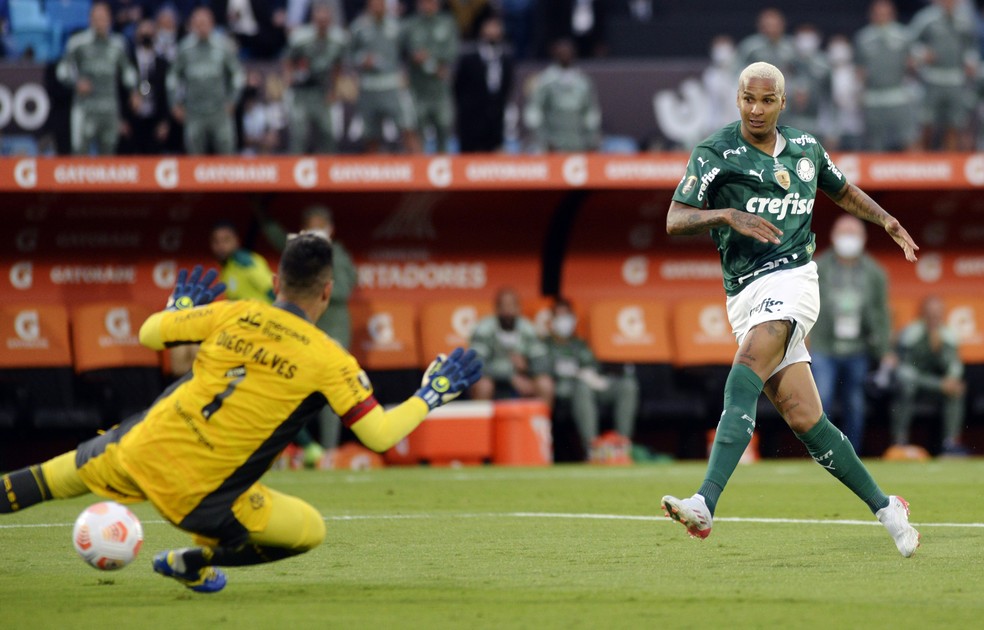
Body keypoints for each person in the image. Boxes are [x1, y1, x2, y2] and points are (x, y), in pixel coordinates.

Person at [0, 239, 483, 593]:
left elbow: (150, 334)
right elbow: (378, 435)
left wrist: (180, 308)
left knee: (44, 479)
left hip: (139, 449)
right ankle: (195, 559)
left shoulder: (235, 312)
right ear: (327, 292)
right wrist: (430, 395)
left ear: (276, 284)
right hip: (202, 498)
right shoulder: (331, 359)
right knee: (308, 529)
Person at [660, 61, 922, 558]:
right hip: (743, 291)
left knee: (746, 367)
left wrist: (885, 219)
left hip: (795, 279)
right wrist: (726, 214)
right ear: (737, 99)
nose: (755, 109)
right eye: (747, 99)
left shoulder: (806, 149)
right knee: (806, 419)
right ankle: (888, 507)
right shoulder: (714, 153)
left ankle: (705, 502)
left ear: (784, 102)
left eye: (766, 100)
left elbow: (841, 191)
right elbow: (675, 218)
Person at [257, 205, 358, 460]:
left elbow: (345, 289)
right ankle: (296, 449)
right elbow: (278, 238)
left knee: (331, 390)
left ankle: (329, 450)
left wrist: (311, 285)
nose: (314, 233)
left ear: (330, 229)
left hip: (332, 328)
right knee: (288, 386)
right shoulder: (299, 253)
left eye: (319, 226)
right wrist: (262, 211)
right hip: (301, 326)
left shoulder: (337, 255)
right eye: (309, 227)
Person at [810, 215, 893, 454]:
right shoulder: (818, 266)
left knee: (854, 405)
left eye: (853, 234)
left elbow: (881, 313)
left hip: (858, 347)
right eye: (844, 233)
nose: (848, 239)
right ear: (834, 237)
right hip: (824, 345)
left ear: (863, 238)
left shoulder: (875, 272)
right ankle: (821, 452)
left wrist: (885, 349)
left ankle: (851, 455)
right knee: (820, 400)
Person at [544, 298, 639, 458]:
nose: (564, 321)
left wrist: (592, 377)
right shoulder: (545, 346)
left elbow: (592, 367)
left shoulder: (580, 345)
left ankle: (622, 446)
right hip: (565, 392)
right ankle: (593, 448)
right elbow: (542, 373)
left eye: (567, 316)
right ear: (551, 321)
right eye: (559, 316)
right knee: (581, 386)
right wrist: (578, 377)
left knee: (627, 385)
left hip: (590, 388)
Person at [56, 2, 140, 155]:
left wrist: (134, 90)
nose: (100, 22)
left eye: (103, 18)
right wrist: (76, 83)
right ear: (90, 20)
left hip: (110, 109)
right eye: (97, 18)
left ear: (110, 20)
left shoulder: (118, 44)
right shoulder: (78, 43)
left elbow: (128, 71)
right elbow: (62, 70)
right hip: (85, 109)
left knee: (108, 157)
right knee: (80, 154)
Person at [890, 295, 968, 456]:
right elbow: (904, 372)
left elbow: (955, 366)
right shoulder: (911, 333)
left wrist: (951, 379)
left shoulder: (948, 335)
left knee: (956, 390)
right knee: (906, 387)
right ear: (922, 314)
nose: (934, 318)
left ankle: (950, 444)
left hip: (935, 390)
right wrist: (940, 385)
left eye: (937, 314)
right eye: (930, 314)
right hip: (914, 386)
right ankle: (900, 442)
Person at [167, 6, 245, 155]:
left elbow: (237, 75)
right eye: (198, 24)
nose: (202, 27)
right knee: (194, 158)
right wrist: (174, 103)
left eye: (205, 23)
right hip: (194, 112)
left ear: (212, 24)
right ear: (192, 25)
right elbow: (172, 78)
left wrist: (233, 100)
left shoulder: (224, 46)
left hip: (220, 111)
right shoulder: (184, 48)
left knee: (227, 155)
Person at [349, 0, 421, 153]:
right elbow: (348, 56)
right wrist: (362, 60)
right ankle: (373, 173)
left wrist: (406, 73)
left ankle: (420, 170)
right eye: (374, 3)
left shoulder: (397, 27)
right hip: (369, 86)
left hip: (392, 84)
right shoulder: (358, 27)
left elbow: (409, 52)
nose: (378, 6)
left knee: (408, 128)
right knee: (371, 135)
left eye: (381, 3)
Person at [909, 0, 979, 151]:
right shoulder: (926, 19)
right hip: (932, 77)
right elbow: (910, 42)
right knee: (926, 122)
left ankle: (950, 161)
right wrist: (921, 54)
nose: (948, 3)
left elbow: (970, 46)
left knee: (955, 123)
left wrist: (970, 61)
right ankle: (923, 160)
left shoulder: (964, 21)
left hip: (955, 78)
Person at [469, 287, 554, 407]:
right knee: (483, 385)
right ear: (496, 308)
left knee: (545, 384)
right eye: (503, 306)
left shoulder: (528, 329)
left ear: (519, 308)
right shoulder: (483, 329)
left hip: (524, 379)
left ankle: (540, 424)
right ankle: (480, 425)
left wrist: (527, 368)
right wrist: (510, 376)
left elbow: (542, 361)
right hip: (493, 379)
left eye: (512, 305)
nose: (508, 310)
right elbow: (477, 364)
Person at [283, 1, 348, 154]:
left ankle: (328, 171)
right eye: (320, 20)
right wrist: (289, 77)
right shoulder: (300, 38)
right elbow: (287, 60)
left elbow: (338, 66)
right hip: (302, 92)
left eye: (325, 21)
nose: (322, 24)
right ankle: (294, 169)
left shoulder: (338, 40)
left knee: (327, 133)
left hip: (322, 92)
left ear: (330, 21)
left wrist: (335, 89)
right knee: (299, 135)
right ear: (313, 20)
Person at [854, 0, 917, 152]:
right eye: (878, 13)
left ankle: (915, 172)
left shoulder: (903, 35)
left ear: (892, 15)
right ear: (872, 15)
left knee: (908, 136)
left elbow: (912, 62)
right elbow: (858, 68)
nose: (882, 17)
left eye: (885, 13)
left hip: (897, 94)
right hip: (874, 96)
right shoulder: (863, 37)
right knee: (874, 141)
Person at [523, 39, 601, 153]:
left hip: (578, 141)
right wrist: (543, 138)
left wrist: (591, 136)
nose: (565, 55)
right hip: (552, 142)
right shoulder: (546, 81)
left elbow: (591, 112)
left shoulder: (583, 82)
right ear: (555, 54)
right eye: (562, 52)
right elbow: (534, 111)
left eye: (568, 51)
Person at [402, 0, 459, 153]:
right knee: (416, 128)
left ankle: (443, 169)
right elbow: (398, 52)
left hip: (439, 89)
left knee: (443, 127)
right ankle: (419, 170)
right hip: (417, 88)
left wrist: (431, 58)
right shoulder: (409, 25)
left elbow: (453, 52)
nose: (428, 5)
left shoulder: (447, 23)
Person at [454, 15, 515, 153]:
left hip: (495, 114)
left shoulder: (506, 57)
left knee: (493, 155)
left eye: (497, 27)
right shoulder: (469, 57)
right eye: (490, 27)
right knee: (469, 154)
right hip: (471, 115)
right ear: (482, 30)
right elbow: (458, 86)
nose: (493, 31)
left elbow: (507, 85)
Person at [120, 18, 174, 155]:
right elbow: (119, 91)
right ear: (136, 34)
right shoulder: (127, 60)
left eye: (150, 31)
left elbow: (168, 94)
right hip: (132, 120)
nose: (146, 35)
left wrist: (165, 121)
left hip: (155, 120)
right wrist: (121, 119)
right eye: (143, 31)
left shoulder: (163, 64)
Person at [210, 221, 276, 303]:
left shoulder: (246, 262)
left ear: (236, 240)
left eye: (226, 240)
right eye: (216, 241)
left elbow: (271, 290)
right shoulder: (226, 267)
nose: (221, 246)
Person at [735, 7, 796, 73]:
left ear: (782, 25)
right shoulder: (750, 46)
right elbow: (737, 68)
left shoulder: (793, 45)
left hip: (788, 81)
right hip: (757, 81)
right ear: (760, 26)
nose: (772, 29)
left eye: (775, 25)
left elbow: (803, 72)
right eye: (768, 25)